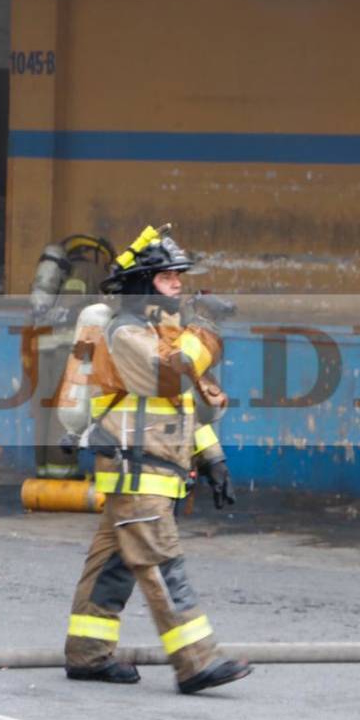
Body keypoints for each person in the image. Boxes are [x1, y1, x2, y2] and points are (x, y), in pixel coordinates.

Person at [62, 224, 252, 694]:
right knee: (161, 563)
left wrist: (213, 459)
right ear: (145, 283)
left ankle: (87, 654)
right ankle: (195, 661)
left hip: (149, 469)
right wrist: (205, 326)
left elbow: (182, 403)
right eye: (170, 278)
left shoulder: (158, 331)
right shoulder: (125, 332)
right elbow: (171, 377)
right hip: (136, 468)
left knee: (112, 565)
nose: (179, 285)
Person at [28, 234, 116, 480]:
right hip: (68, 351)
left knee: (43, 412)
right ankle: (61, 474)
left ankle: (43, 471)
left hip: (41, 350)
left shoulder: (53, 275)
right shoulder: (93, 271)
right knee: (65, 411)